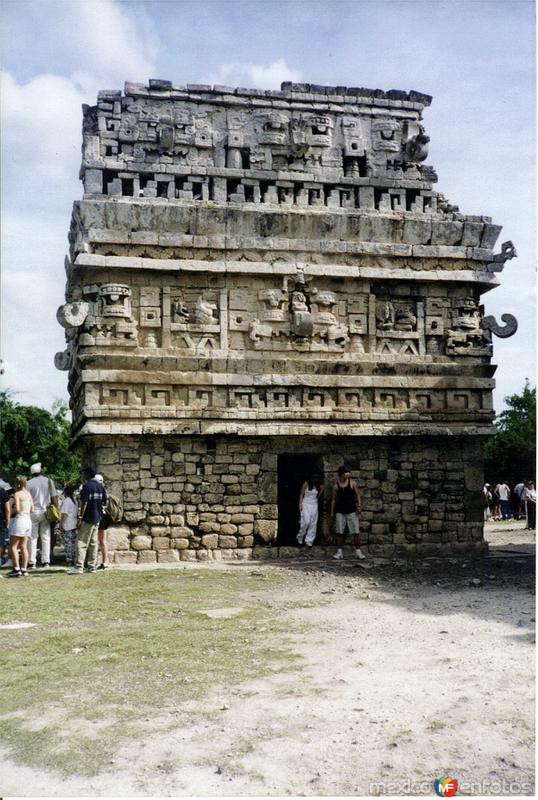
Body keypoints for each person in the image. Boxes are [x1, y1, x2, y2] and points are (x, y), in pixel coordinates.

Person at [68, 466, 107, 574]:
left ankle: (79, 567)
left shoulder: (86, 486)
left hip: (88, 518)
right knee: (93, 543)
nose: (83, 475)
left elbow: (84, 503)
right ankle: (92, 566)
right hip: (97, 518)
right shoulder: (100, 486)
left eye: (84, 473)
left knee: (81, 542)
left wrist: (80, 518)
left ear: (88, 474)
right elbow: (105, 502)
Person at [27, 462, 59, 568]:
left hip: (33, 512)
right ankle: (46, 561)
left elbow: (27, 500)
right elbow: (54, 497)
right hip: (46, 512)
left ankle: (32, 562)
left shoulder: (29, 483)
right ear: (40, 471)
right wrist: (56, 511)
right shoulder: (48, 481)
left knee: (33, 537)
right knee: (45, 536)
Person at [331, 465, 365, 560]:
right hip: (340, 511)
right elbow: (333, 499)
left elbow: (358, 494)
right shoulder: (336, 486)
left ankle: (358, 552)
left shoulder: (352, 483)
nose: (348, 474)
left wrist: (359, 506)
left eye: (349, 472)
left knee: (355, 532)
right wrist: (332, 512)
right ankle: (339, 552)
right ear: (341, 474)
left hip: (351, 511)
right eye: (346, 472)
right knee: (339, 532)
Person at [8, 476, 34, 578]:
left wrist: (12, 510)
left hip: (20, 520)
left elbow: (17, 509)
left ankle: (16, 569)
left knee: (13, 546)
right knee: (24, 546)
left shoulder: (17, 494)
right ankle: (24, 569)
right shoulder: (28, 494)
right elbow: (32, 509)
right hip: (28, 520)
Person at [297, 472, 324, 548]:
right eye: (314, 478)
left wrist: (321, 491)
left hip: (314, 505)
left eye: (316, 478)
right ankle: (300, 536)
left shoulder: (318, 485)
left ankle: (309, 540)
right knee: (306, 521)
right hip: (306, 504)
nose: (315, 479)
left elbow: (317, 497)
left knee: (313, 523)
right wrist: (300, 504)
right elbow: (301, 494)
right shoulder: (306, 483)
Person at [59, 484, 78, 565]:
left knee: (68, 543)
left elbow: (64, 514)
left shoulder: (67, 501)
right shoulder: (75, 500)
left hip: (68, 524)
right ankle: (73, 558)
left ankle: (69, 559)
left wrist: (61, 524)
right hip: (74, 523)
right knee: (73, 542)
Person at [95, 474, 110, 570]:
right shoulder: (105, 492)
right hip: (103, 517)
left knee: (96, 541)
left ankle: (97, 562)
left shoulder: (96, 491)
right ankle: (105, 562)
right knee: (102, 541)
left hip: (97, 517)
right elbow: (106, 505)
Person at [0, 478, 11, 566]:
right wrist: (8, 523)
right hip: (1, 521)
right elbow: (8, 510)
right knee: (2, 543)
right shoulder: (2, 492)